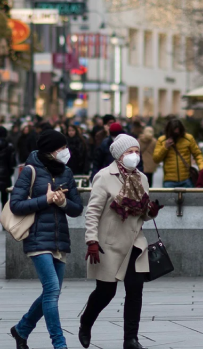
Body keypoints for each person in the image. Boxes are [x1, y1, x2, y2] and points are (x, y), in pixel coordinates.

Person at [79, 134, 163, 349]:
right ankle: (86, 322)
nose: (134, 156)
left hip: (136, 243)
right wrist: (92, 241)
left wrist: (151, 212)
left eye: (136, 151)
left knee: (135, 290)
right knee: (106, 292)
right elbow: (93, 212)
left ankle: (131, 339)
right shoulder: (104, 176)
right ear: (118, 155)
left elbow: (141, 214)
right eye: (129, 152)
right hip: (109, 244)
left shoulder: (142, 178)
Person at [9, 129, 83, 349]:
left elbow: (77, 208)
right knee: (51, 290)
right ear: (50, 151)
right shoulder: (29, 171)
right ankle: (59, 344)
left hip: (59, 239)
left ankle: (21, 329)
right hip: (37, 238)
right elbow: (16, 205)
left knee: (51, 292)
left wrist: (62, 203)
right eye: (61, 148)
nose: (65, 152)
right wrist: (45, 199)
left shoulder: (66, 172)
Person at [153, 119, 203, 188]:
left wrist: (202, 169)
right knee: (169, 199)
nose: (176, 134)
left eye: (178, 132)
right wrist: (165, 147)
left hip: (186, 179)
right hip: (169, 180)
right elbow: (156, 159)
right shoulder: (162, 140)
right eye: (174, 133)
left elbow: (197, 154)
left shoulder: (188, 139)